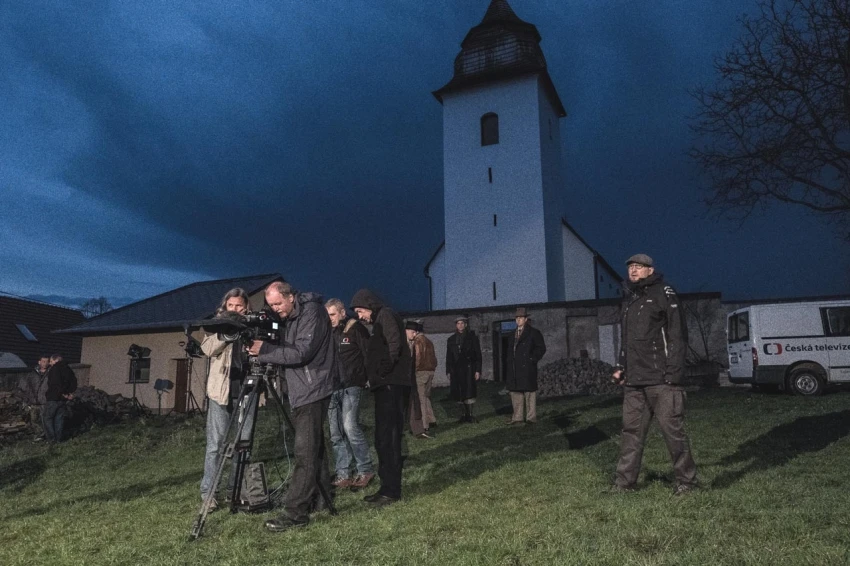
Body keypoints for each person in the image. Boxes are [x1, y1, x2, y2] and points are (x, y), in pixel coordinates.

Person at [249, 281, 338, 531]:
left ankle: (295, 513)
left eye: (278, 303)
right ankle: (321, 500)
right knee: (314, 448)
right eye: (271, 305)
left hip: (313, 388)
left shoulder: (311, 313)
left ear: (291, 297)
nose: (275, 309)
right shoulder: (290, 317)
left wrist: (264, 351)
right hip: (301, 389)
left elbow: (301, 353)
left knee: (305, 452)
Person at [612, 254, 698, 495]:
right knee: (631, 434)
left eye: (639, 267)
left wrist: (674, 375)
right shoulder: (630, 299)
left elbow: (677, 336)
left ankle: (686, 483)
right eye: (630, 267)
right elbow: (627, 341)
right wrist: (621, 367)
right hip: (634, 382)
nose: (633, 271)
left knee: (673, 433)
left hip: (662, 380)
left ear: (651, 270)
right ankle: (624, 483)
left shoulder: (665, 293)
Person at [350, 288, 412, 507]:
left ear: (369, 305)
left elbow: (394, 343)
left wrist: (385, 370)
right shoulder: (380, 319)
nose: (360, 316)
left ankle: (391, 490)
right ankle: (387, 487)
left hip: (390, 385)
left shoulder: (385, 315)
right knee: (383, 438)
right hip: (385, 385)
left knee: (388, 437)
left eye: (360, 311)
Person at [198, 287, 254, 513]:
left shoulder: (253, 324)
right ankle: (209, 493)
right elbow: (207, 349)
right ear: (225, 306)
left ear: (246, 306)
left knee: (244, 444)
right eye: (231, 305)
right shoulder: (216, 324)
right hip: (221, 391)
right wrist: (226, 335)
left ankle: (237, 489)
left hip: (249, 390)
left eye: (239, 306)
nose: (235, 309)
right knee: (216, 445)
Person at [325, 298, 375, 490]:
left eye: (332, 314)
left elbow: (368, 354)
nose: (329, 319)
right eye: (327, 315)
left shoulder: (356, 329)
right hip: (332, 388)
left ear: (342, 313)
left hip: (351, 386)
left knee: (350, 427)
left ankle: (365, 470)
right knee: (335, 434)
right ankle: (343, 474)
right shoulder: (327, 333)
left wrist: (367, 378)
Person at [505, 308, 546, 424]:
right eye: (517, 318)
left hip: (527, 367)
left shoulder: (534, 333)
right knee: (516, 393)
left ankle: (531, 418)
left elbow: (541, 348)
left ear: (526, 319)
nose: (518, 320)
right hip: (514, 368)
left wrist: (532, 359)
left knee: (529, 393)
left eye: (521, 318)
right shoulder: (512, 334)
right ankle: (517, 417)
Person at [445, 316, 482, 423]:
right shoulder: (451, 340)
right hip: (456, 370)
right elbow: (449, 356)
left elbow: (478, 355)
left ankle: (470, 415)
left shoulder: (472, 338)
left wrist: (478, 370)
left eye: (462, 323)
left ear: (465, 325)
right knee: (459, 393)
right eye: (458, 323)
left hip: (469, 369)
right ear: (456, 325)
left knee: (469, 392)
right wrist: (448, 370)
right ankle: (463, 415)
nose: (460, 325)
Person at [406, 320, 438, 432]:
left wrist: (413, 371)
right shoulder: (429, 341)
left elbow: (417, 358)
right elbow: (435, 359)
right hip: (430, 372)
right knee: (426, 396)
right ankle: (432, 419)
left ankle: (424, 425)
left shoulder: (417, 342)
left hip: (420, 373)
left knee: (420, 399)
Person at [43, 353, 77, 443]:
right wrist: (69, 393)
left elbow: (55, 384)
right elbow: (74, 382)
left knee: (47, 418)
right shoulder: (68, 369)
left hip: (54, 397)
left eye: (51, 361)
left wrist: (63, 393)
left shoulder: (55, 369)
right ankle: (58, 439)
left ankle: (51, 439)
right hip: (63, 399)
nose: (50, 363)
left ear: (56, 360)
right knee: (59, 419)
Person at [15, 355, 50, 438]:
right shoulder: (31, 375)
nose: (45, 363)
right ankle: (39, 435)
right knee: (34, 420)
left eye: (47, 361)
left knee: (45, 420)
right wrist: (26, 399)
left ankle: (48, 436)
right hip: (33, 402)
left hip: (45, 402)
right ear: (39, 362)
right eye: (43, 361)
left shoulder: (51, 374)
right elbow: (24, 388)